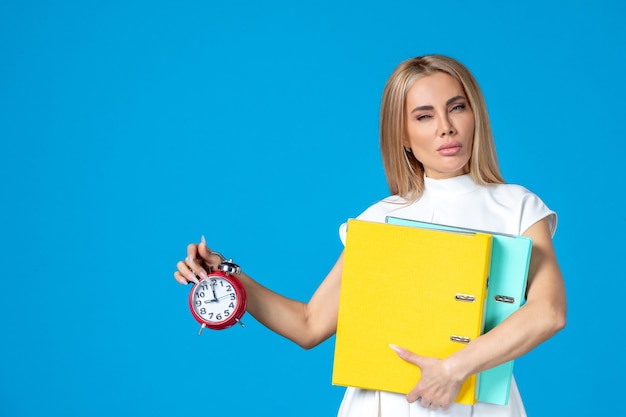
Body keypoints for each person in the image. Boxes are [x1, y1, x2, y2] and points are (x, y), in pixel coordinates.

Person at [174, 54, 567, 417]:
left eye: (457, 107)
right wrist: (226, 274)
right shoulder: (380, 219)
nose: (446, 127)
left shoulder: (516, 207)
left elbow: (548, 312)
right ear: (403, 136)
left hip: (477, 405)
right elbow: (309, 325)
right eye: (424, 116)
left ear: (475, 115)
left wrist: (453, 369)